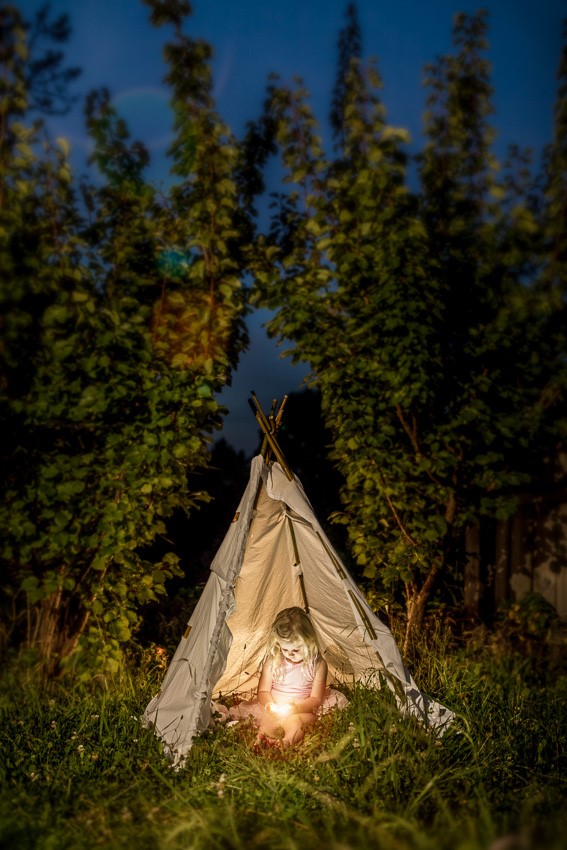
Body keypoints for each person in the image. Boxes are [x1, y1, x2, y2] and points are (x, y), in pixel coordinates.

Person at [228, 606, 347, 749]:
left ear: (309, 642)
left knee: (295, 721)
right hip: (275, 708)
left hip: (303, 709)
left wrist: (296, 708)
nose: (290, 654)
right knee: (268, 720)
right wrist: (270, 705)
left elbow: (316, 699)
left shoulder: (318, 665)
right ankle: (262, 739)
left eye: (296, 649)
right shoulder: (273, 662)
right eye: (285, 649)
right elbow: (263, 692)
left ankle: (285, 742)